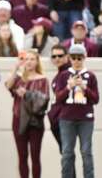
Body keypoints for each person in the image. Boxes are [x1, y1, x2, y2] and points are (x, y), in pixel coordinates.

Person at [55, 44, 99, 178]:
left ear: (84, 57)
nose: (76, 61)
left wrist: (85, 88)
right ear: (69, 58)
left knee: (86, 151)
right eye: (73, 58)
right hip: (67, 118)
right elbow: (58, 98)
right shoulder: (63, 75)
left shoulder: (90, 76)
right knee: (67, 152)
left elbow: (96, 99)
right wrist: (69, 87)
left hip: (85, 118)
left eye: (79, 58)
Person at [5, 49, 49, 178]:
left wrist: (27, 94)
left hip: (35, 121)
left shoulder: (43, 79)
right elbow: (8, 85)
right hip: (19, 119)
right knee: (22, 156)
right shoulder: (19, 78)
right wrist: (15, 66)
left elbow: (44, 100)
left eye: (32, 59)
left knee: (35, 156)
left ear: (37, 62)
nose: (29, 62)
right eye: (26, 59)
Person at [46, 45, 76, 177]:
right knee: (65, 154)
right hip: (57, 122)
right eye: (54, 56)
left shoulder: (69, 73)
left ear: (66, 57)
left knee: (67, 154)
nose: (57, 59)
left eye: (60, 56)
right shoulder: (59, 74)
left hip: (64, 120)